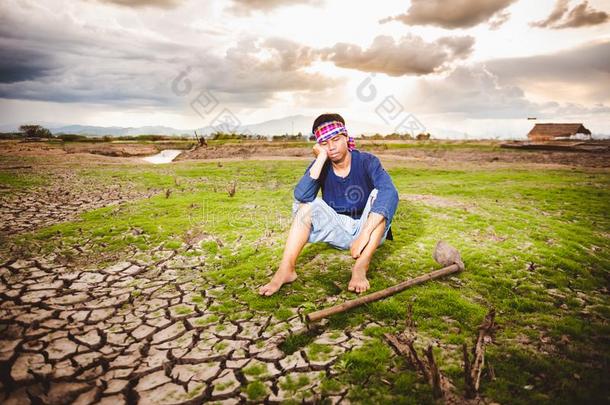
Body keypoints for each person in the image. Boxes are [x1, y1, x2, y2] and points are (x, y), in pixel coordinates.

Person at [258, 113, 399, 296]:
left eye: (336, 139)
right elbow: (302, 195)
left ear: (346, 138)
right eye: (324, 143)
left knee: (379, 194)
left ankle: (361, 267)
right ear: (318, 147)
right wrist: (320, 159)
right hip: (339, 229)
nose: (332, 147)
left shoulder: (367, 161)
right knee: (307, 206)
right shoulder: (321, 164)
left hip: (370, 232)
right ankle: (286, 270)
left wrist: (364, 234)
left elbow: (390, 192)